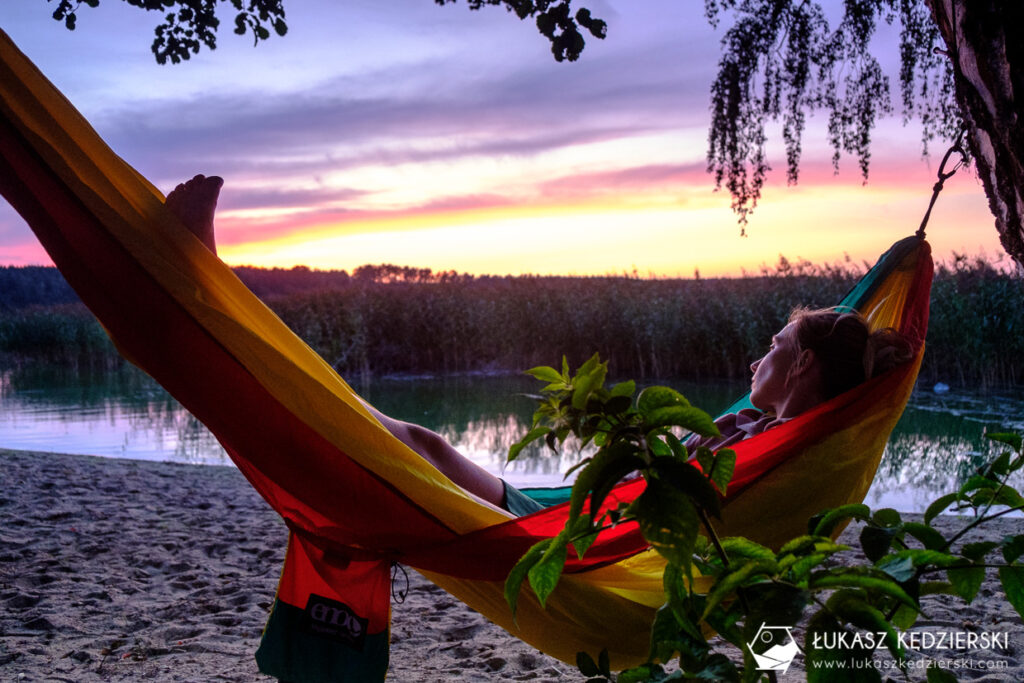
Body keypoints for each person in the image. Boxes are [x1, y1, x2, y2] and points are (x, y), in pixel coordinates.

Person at [165, 175, 911, 516]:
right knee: (405, 441)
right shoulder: (761, 427)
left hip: (573, 536)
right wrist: (898, 277)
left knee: (415, 441)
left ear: (805, 363)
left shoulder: (787, 454)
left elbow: (769, 576)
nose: (757, 358)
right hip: (580, 511)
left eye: (775, 344)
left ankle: (209, 302)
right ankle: (217, 306)